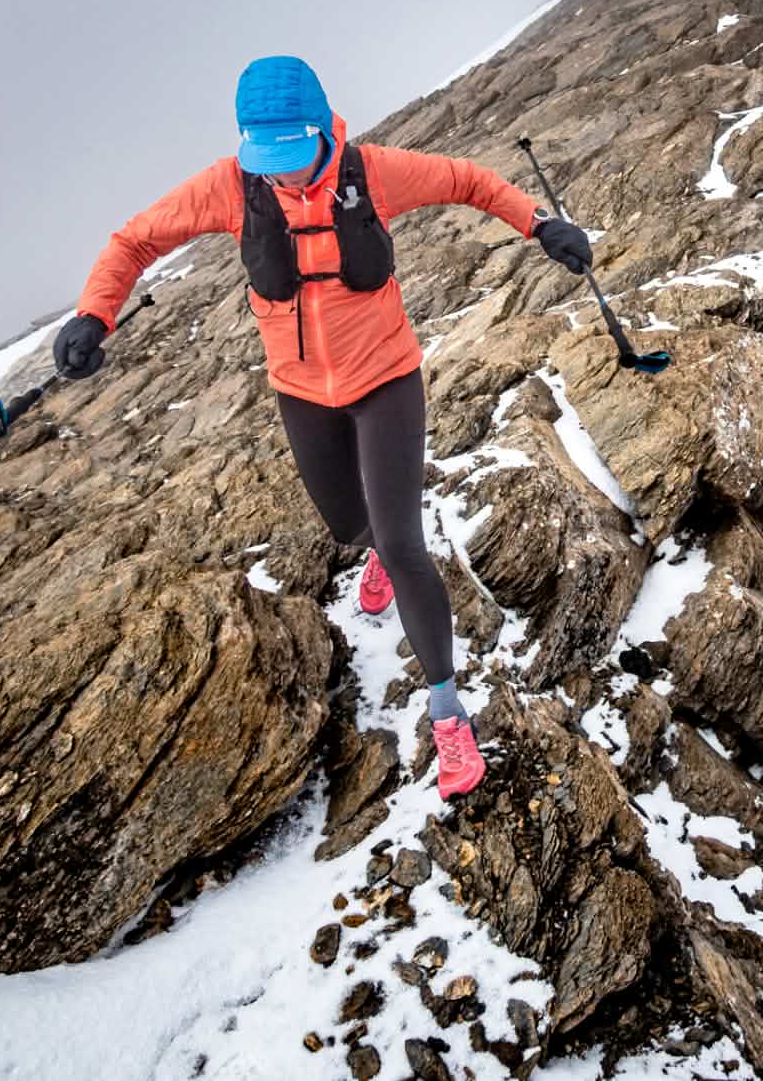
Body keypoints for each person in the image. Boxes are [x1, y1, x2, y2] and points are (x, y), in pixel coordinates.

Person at [53, 54, 592, 800]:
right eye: (264, 159)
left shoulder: (371, 174)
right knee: (349, 525)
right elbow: (135, 241)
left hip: (386, 381)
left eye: (291, 157)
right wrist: (94, 312)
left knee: (404, 545)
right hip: (302, 391)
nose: (279, 174)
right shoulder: (232, 188)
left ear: (322, 131)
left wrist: (540, 225)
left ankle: (447, 711)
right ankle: (372, 546)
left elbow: (468, 180)